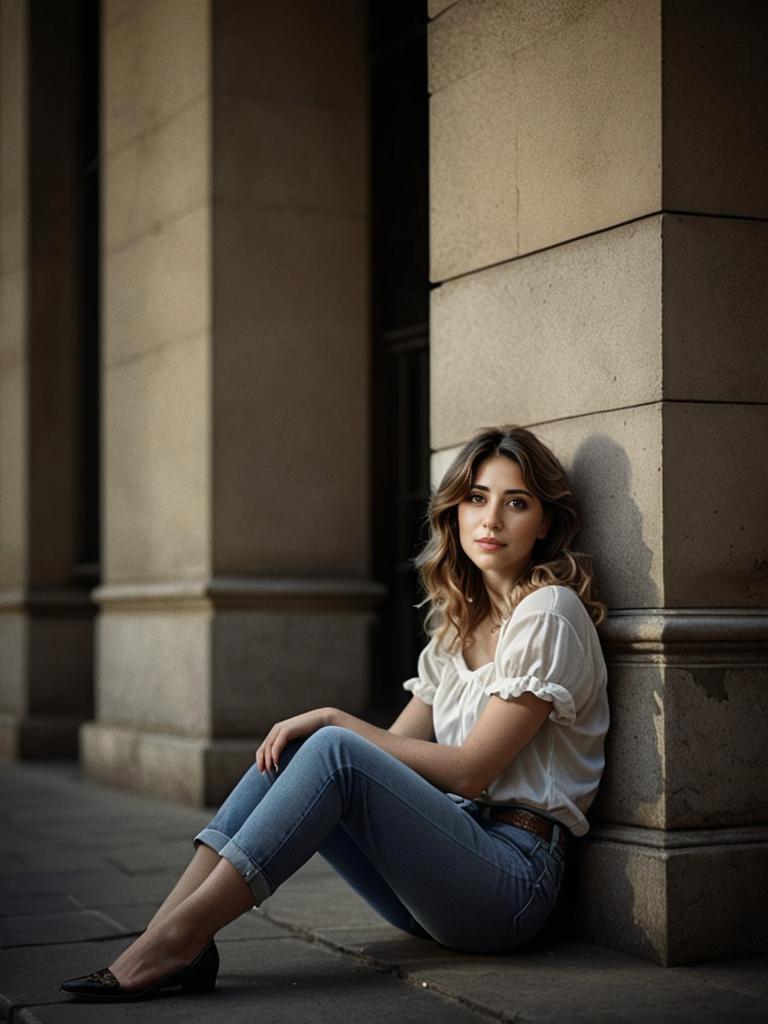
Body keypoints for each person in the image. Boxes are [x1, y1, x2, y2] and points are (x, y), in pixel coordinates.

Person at [61, 424, 609, 1001]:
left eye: (515, 503)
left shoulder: (549, 611)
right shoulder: (456, 628)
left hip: (512, 884)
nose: (491, 519)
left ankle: (178, 938)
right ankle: (167, 933)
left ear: (544, 523)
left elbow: (471, 770)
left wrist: (334, 718)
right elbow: (386, 761)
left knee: (330, 743)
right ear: (454, 511)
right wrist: (332, 735)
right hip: (443, 876)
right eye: (476, 498)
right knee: (308, 750)